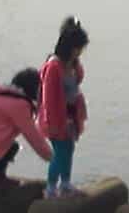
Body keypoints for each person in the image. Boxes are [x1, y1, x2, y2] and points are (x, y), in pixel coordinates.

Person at [38, 16, 90, 198]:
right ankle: (51, 188)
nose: (81, 52)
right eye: (79, 48)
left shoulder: (72, 64)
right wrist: (55, 123)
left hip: (71, 116)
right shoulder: (53, 67)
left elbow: (78, 79)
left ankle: (65, 184)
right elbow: (49, 99)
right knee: (59, 153)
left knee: (69, 149)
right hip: (56, 119)